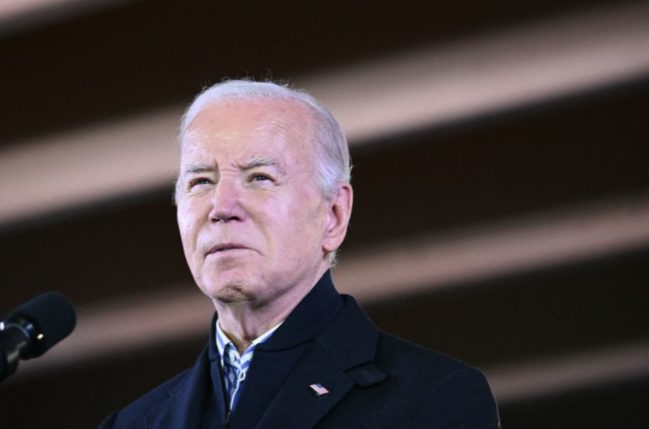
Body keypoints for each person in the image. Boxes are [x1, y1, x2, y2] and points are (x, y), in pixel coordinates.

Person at [99, 80, 499, 428]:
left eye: (259, 178)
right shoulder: (131, 423)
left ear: (333, 215)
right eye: (201, 181)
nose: (221, 206)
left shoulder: (431, 399)